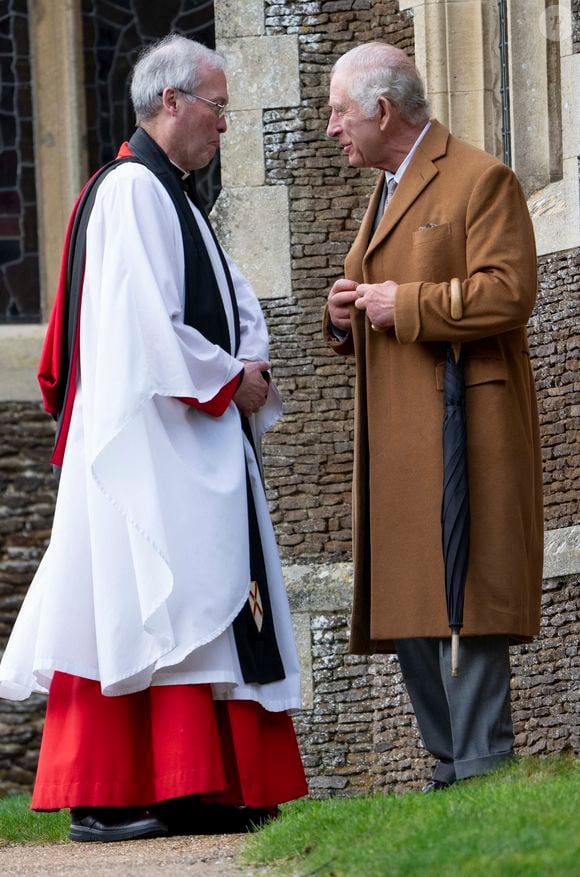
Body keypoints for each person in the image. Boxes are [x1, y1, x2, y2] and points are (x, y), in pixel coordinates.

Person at [0, 34, 307, 841]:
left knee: (194, 608)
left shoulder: (170, 194)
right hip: (150, 442)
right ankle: (114, 789)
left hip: (188, 438)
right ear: (170, 102)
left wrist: (250, 363)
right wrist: (231, 378)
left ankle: (197, 787)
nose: (226, 127)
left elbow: (227, 301)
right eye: (217, 108)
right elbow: (148, 325)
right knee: (152, 604)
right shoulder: (136, 191)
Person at [324, 42, 543, 792]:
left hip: (464, 431)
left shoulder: (482, 178)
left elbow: (509, 293)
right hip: (398, 435)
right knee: (411, 597)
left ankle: (482, 762)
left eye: (338, 112)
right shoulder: (386, 186)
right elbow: (371, 286)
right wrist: (343, 312)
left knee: (468, 597)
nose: (330, 129)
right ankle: (449, 762)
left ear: (382, 111)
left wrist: (403, 305)